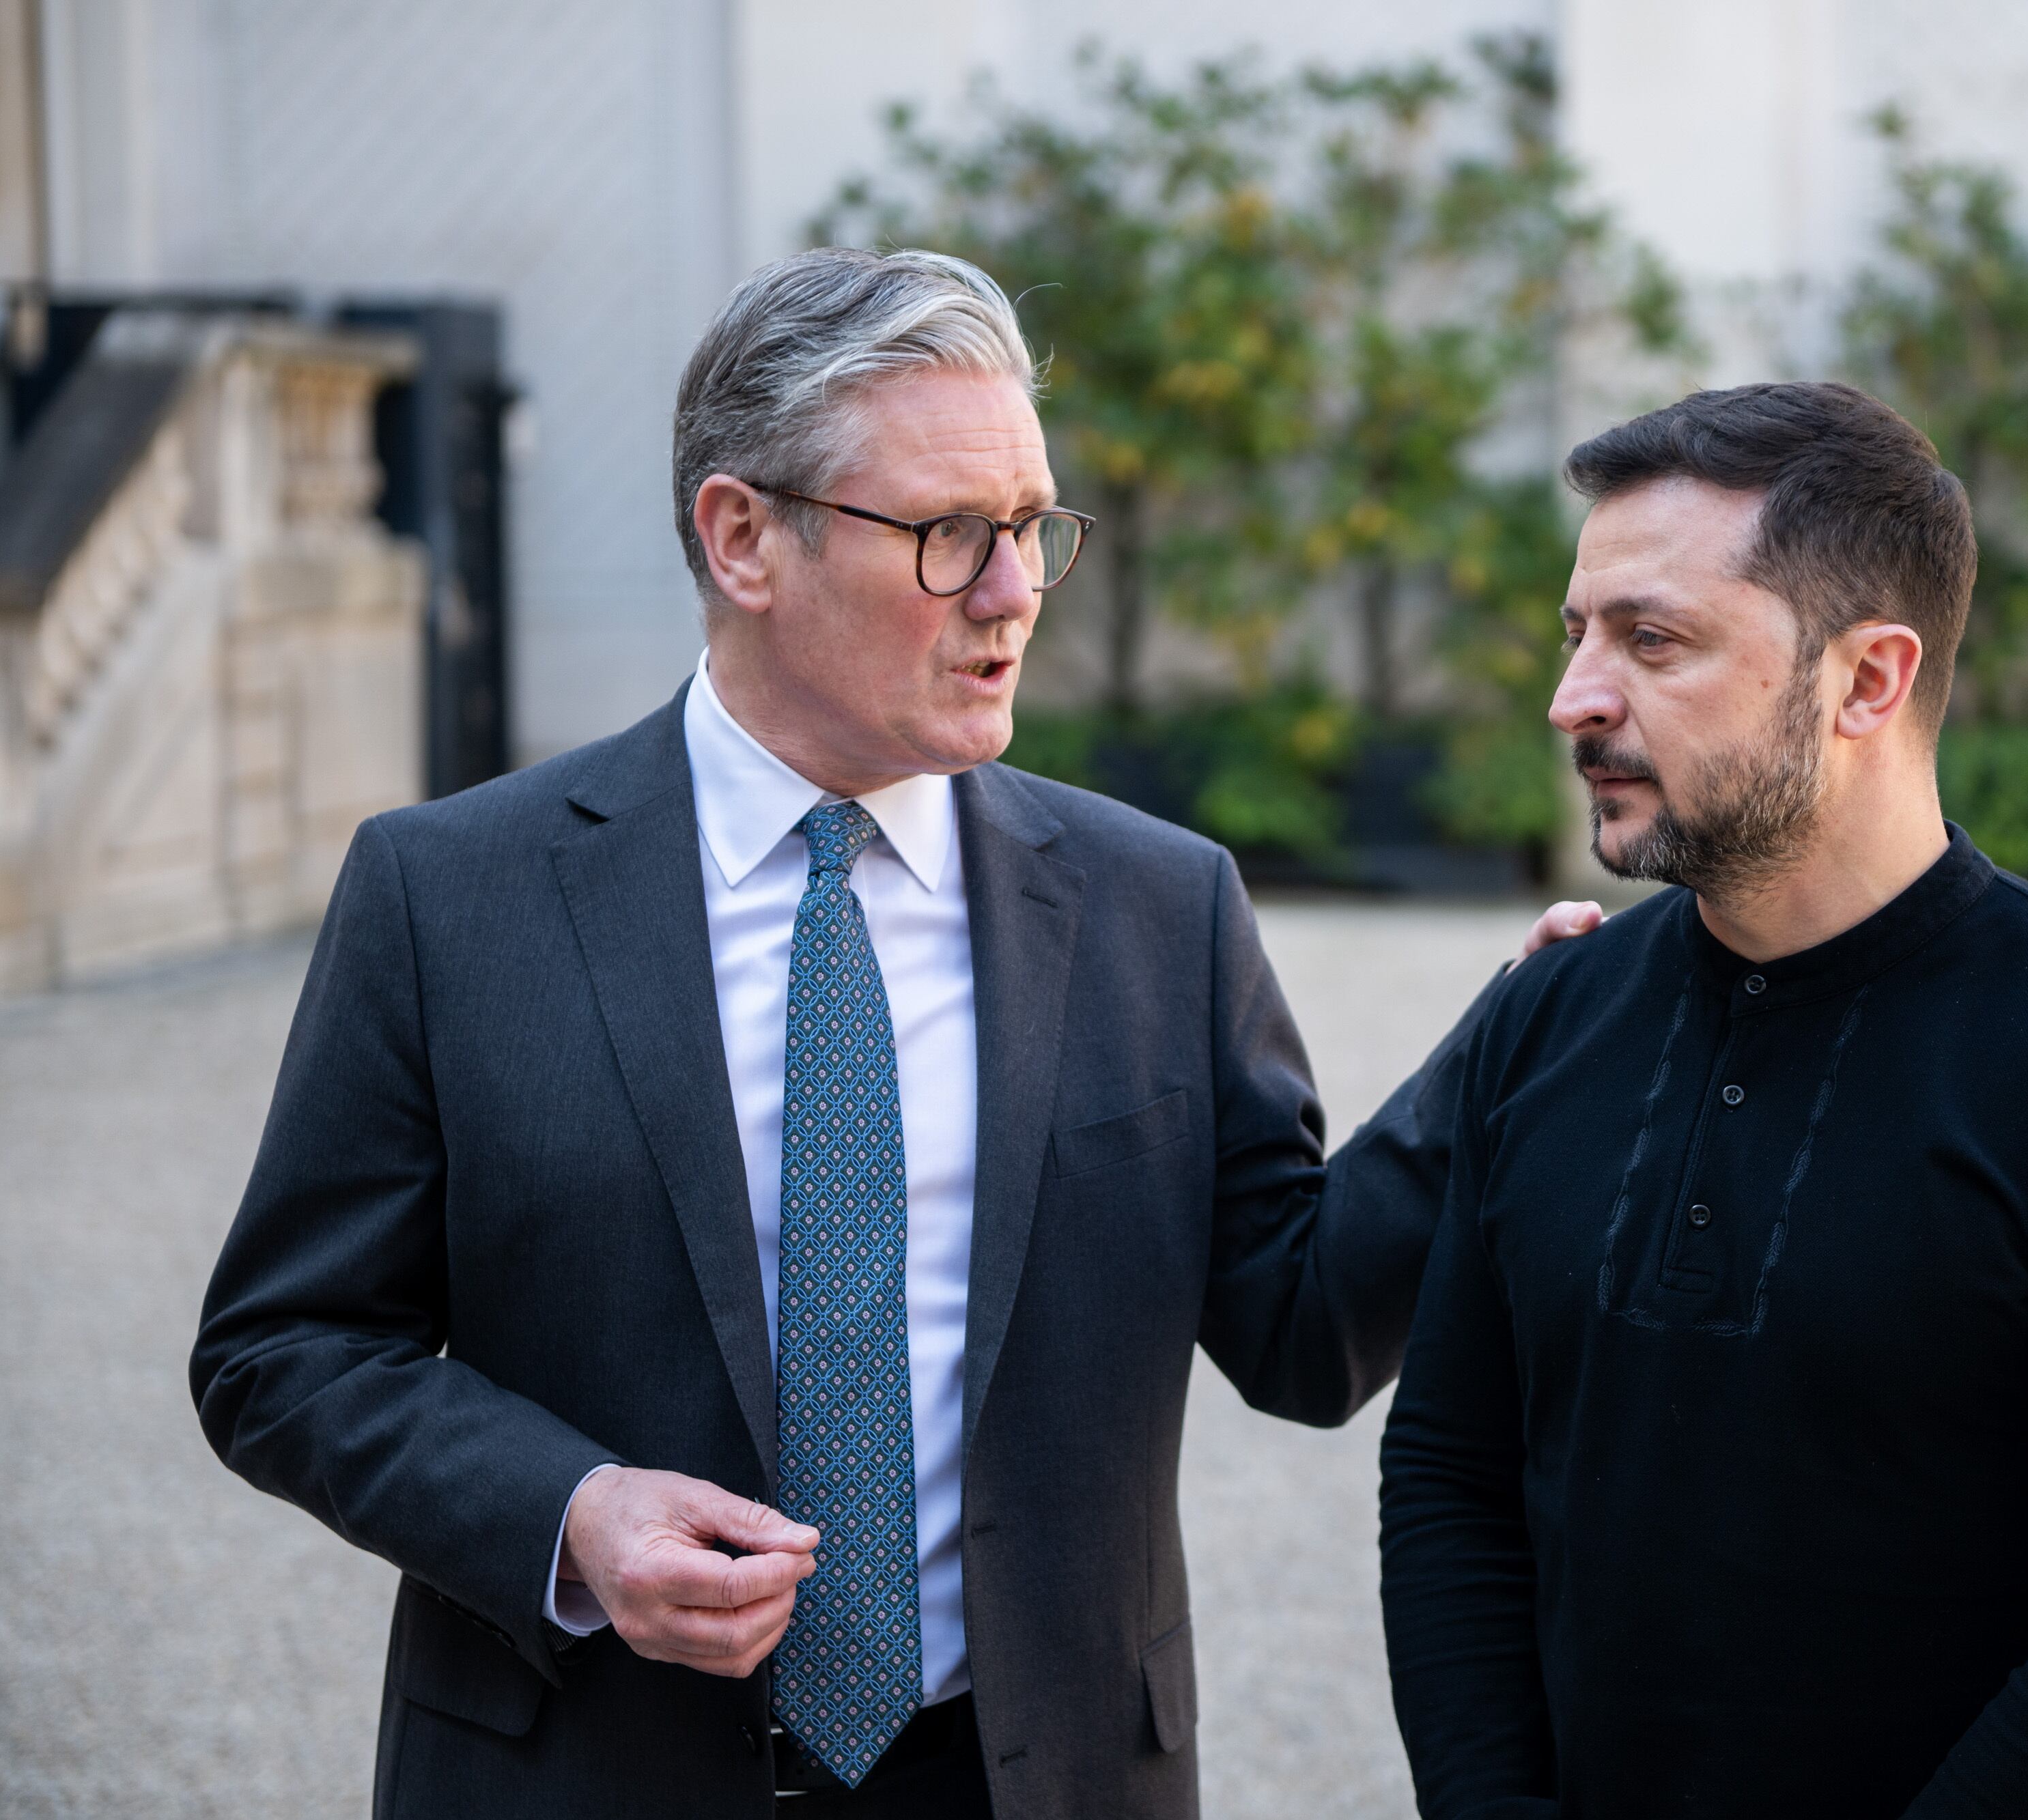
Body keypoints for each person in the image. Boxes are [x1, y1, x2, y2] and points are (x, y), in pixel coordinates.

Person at [192, 248, 1591, 1820]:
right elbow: (285, 1349)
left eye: (1030, 526)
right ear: (742, 538)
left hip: (1036, 1778)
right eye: (947, 534)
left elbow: (1300, 1328)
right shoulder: (451, 895)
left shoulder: (1158, 905)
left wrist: (1503, 1066)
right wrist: (569, 1513)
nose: (1013, 592)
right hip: (583, 1770)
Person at [1378, 381, 2028, 1819]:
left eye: (1652, 640)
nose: (1575, 699)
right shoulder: (1545, 1018)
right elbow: (1449, 1473)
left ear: (1867, 680)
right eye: (1577, 634)